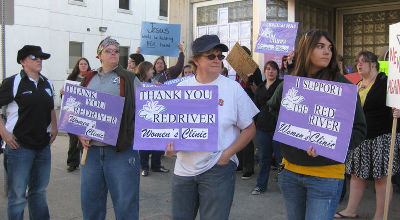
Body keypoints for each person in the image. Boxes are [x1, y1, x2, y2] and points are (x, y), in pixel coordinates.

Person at [267, 30, 367, 220]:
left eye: (329, 47)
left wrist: (330, 146)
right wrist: (291, 131)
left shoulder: (343, 87)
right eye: (320, 46)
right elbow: (272, 110)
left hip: (326, 177)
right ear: (306, 50)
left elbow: (360, 129)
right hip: (290, 173)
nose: (327, 52)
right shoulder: (292, 83)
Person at [165, 34, 259, 220]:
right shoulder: (181, 89)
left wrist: (226, 156)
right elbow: (171, 129)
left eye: (220, 56)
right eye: (211, 56)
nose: (217, 60)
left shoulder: (233, 88)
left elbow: (249, 129)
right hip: (184, 170)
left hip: (218, 169)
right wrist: (169, 148)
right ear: (196, 60)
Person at [77, 37, 142, 220]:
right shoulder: (88, 79)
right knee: (91, 206)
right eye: (109, 50)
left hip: (120, 152)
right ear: (99, 55)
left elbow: (144, 110)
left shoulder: (129, 78)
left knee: (125, 206)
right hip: (91, 153)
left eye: (116, 50)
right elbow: (78, 113)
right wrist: (80, 133)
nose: (114, 53)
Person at [335, 51, 400, 220]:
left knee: (382, 178)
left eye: (363, 61)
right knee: (356, 175)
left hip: (381, 137)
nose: (359, 65)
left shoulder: (386, 82)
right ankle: (351, 209)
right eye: (358, 62)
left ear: (373, 64)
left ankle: (380, 215)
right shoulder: (357, 84)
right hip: (360, 138)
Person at [0, 45, 58, 220]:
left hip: (43, 147)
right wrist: (4, 133)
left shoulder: (47, 83)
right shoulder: (13, 82)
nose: (39, 60)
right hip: (19, 148)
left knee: (38, 192)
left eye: (41, 57)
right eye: (34, 57)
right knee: (17, 196)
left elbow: (50, 108)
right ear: (22, 61)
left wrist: (54, 126)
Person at [251, 60, 282, 195]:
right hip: (262, 128)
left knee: (281, 159)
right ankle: (261, 185)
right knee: (264, 158)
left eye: (273, 69)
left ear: (277, 72)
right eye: (268, 69)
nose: (271, 71)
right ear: (264, 71)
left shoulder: (281, 85)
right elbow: (255, 107)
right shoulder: (260, 88)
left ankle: (285, 185)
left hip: (278, 127)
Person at [136, 61, 170, 176]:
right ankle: (144, 167)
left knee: (157, 141)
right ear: (145, 70)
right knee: (144, 144)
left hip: (155, 118)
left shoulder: (154, 82)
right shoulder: (136, 83)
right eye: (151, 69)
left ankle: (156, 165)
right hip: (142, 118)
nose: (153, 71)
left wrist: (158, 89)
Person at [235, 46, 262, 180]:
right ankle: (239, 164)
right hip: (238, 105)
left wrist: (251, 82)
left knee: (247, 135)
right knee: (237, 135)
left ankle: (248, 168)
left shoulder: (255, 69)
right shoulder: (237, 71)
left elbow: (259, 91)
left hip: (249, 104)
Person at [62, 57, 91, 172]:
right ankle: (73, 162)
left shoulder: (92, 77)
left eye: (85, 64)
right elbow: (65, 95)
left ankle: (86, 161)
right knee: (73, 139)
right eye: (81, 64)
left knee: (86, 138)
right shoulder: (71, 78)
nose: (83, 66)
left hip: (87, 112)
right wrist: (62, 93)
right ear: (77, 66)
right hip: (73, 112)